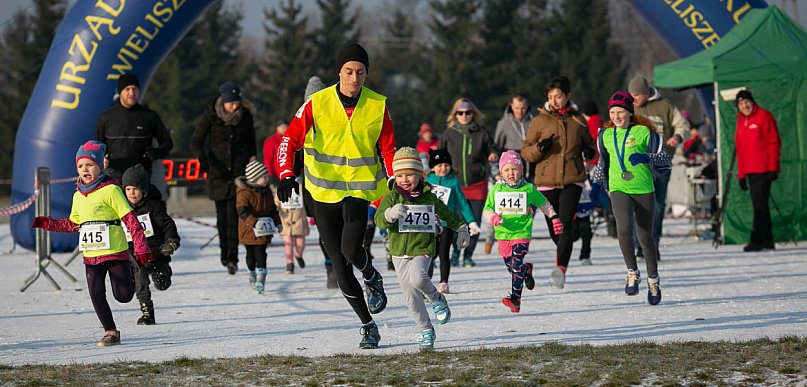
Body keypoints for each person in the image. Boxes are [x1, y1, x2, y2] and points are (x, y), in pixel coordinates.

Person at [275, 43, 394, 349]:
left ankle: (371, 275)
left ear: (367, 73)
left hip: (358, 188)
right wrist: (287, 174)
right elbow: (289, 139)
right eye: (349, 72)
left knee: (352, 251)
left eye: (360, 72)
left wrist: (394, 180)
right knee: (339, 266)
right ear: (339, 72)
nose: (355, 78)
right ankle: (368, 325)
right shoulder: (317, 103)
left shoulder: (378, 105)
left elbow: (389, 148)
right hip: (323, 191)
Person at [31, 140, 152, 346]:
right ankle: (111, 331)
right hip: (91, 256)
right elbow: (73, 224)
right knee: (96, 293)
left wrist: (141, 246)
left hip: (115, 252)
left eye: (89, 165)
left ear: (100, 166)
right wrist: (48, 223)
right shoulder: (77, 196)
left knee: (123, 296)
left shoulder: (112, 190)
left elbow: (130, 219)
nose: (84, 169)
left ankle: (132, 272)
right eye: (80, 166)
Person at [374, 147, 470, 350]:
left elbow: (448, 214)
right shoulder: (392, 197)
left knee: (418, 277)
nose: (404, 179)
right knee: (411, 298)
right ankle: (426, 330)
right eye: (399, 175)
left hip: (422, 247)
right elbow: (379, 219)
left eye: (409, 174)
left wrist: (461, 228)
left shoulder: (429, 197)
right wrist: (390, 214)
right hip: (399, 252)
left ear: (420, 175)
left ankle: (437, 299)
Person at [593, 91, 670, 305]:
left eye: (621, 112)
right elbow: (603, 162)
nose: (617, 116)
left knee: (645, 237)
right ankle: (632, 272)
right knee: (624, 230)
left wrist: (647, 157)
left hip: (644, 189)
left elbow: (665, 159)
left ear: (630, 112)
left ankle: (653, 281)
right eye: (613, 112)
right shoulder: (605, 135)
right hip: (619, 189)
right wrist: (597, 185)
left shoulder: (644, 132)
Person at [521, 75, 596, 289]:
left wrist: (589, 151)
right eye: (551, 97)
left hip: (573, 179)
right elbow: (526, 152)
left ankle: (561, 269)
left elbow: (589, 146)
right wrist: (539, 149)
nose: (555, 100)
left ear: (568, 96)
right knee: (557, 232)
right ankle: (566, 248)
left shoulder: (578, 120)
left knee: (563, 226)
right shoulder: (540, 121)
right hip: (546, 181)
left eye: (559, 96)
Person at [191, 81, 257, 275]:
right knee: (222, 218)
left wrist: (253, 163)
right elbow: (196, 141)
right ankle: (225, 254)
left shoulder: (245, 116)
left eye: (237, 102)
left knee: (237, 216)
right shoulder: (210, 115)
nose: (234, 106)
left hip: (239, 173)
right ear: (223, 101)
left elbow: (252, 143)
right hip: (217, 173)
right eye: (231, 103)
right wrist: (203, 160)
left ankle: (233, 259)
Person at [483, 151, 561, 313]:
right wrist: (494, 219)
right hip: (503, 235)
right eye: (506, 170)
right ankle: (526, 270)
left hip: (522, 233)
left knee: (516, 263)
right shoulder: (497, 190)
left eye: (515, 169)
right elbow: (487, 209)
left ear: (521, 170)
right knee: (512, 267)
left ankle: (515, 299)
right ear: (500, 172)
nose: (511, 173)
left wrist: (554, 218)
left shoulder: (528, 189)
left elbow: (544, 204)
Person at [628, 76, 690, 258]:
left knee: (658, 206)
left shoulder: (665, 105)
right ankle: (640, 245)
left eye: (637, 95)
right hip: (637, 165)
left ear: (647, 93)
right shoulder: (629, 107)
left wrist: (678, 137)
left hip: (660, 163)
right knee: (637, 205)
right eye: (631, 95)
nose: (634, 99)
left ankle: (653, 244)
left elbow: (682, 125)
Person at [440, 98, 498, 267]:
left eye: (467, 112)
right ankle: (457, 252)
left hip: (477, 184)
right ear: (455, 114)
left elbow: (492, 148)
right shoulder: (448, 134)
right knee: (458, 223)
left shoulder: (481, 133)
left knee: (475, 222)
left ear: (473, 114)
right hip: (455, 185)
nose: (464, 116)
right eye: (460, 113)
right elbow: (437, 156)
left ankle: (468, 255)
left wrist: (492, 154)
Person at [121, 164, 181, 325]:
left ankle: (163, 273)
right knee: (140, 283)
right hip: (134, 254)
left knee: (162, 284)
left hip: (156, 253)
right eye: (128, 189)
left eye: (135, 189)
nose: (132, 193)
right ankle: (147, 312)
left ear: (144, 190)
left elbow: (168, 225)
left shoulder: (154, 206)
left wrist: (171, 241)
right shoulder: (122, 208)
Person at [96, 73, 174, 181]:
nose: (131, 93)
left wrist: (155, 153)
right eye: (127, 89)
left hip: (140, 176)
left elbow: (167, 143)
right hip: (113, 175)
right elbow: (97, 146)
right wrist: (102, 158)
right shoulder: (106, 117)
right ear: (120, 92)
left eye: (135, 89)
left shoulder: (149, 116)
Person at [424, 147, 479, 294]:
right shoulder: (428, 181)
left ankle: (443, 282)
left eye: (446, 165)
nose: (443, 168)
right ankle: (426, 284)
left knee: (444, 253)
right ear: (433, 167)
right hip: (430, 224)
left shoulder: (454, 182)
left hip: (447, 223)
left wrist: (471, 222)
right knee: (429, 254)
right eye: (439, 165)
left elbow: (462, 203)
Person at [734, 90, 781, 252]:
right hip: (750, 171)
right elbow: (740, 150)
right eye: (740, 104)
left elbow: (773, 142)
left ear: (752, 102)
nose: (744, 106)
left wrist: (773, 167)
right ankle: (768, 239)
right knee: (760, 205)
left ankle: (757, 240)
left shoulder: (764, 116)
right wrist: (741, 175)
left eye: (746, 102)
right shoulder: (741, 122)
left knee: (759, 206)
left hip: (763, 169)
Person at [490, 94, 534, 255]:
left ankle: (521, 243)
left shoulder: (533, 121)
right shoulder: (504, 123)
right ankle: (494, 237)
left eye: (523, 108)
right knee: (503, 209)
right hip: (510, 169)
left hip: (530, 170)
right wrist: (496, 165)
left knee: (528, 210)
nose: (520, 112)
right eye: (516, 108)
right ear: (511, 107)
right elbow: (497, 145)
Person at [236, 160, 282, 294]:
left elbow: (272, 210)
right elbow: (242, 211)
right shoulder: (244, 193)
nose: (267, 178)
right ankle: (251, 272)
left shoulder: (266, 192)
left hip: (264, 231)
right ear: (255, 178)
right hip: (248, 230)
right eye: (264, 177)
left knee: (261, 254)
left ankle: (261, 279)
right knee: (251, 257)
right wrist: (254, 221)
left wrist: (278, 223)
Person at [273, 169, 309, 274]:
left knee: (300, 243)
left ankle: (298, 254)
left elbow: (306, 202)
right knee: (288, 244)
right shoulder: (282, 188)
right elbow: (277, 201)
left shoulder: (302, 189)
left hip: (299, 220)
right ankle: (289, 263)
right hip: (286, 220)